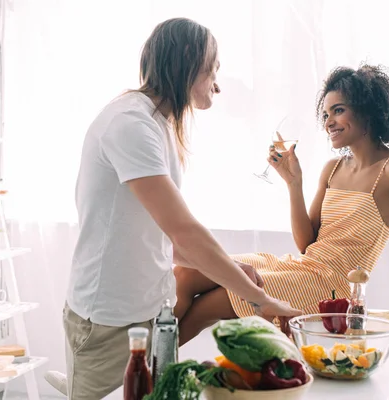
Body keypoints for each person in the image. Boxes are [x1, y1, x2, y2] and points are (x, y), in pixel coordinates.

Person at [59, 17, 302, 399]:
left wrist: (232, 272)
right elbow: (183, 232)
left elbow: (167, 238)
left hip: (149, 309)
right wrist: (260, 299)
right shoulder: (130, 124)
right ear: (187, 64)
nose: (217, 85)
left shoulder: (159, 125)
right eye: (212, 70)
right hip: (108, 321)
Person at [174, 64, 389, 345]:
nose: (328, 121)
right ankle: (144, 365)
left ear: (367, 110)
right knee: (187, 272)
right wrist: (294, 184)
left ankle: (152, 375)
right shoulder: (332, 168)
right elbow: (307, 244)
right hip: (303, 268)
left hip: (331, 287)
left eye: (338, 110)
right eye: (325, 114)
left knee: (210, 305)